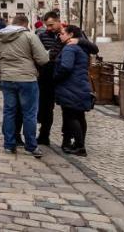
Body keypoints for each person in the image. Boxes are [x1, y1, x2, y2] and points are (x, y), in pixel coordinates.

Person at [35, 10, 99, 147]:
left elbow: (94, 49)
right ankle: (44, 135)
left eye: (51, 24)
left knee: (67, 110)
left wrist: (79, 40)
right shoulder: (42, 35)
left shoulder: (72, 33)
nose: (49, 28)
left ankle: (67, 139)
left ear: (59, 21)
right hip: (46, 77)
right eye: (47, 25)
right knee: (46, 108)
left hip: (65, 78)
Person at [0, 13, 49, 157]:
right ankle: (31, 146)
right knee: (29, 113)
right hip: (27, 79)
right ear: (25, 24)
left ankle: (9, 145)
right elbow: (42, 59)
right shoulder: (30, 36)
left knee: (9, 112)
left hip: (7, 79)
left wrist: (1, 71)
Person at [54, 24, 94, 155]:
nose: (60, 35)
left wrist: (56, 77)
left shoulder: (69, 48)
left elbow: (66, 67)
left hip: (70, 86)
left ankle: (80, 146)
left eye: (62, 33)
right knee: (79, 116)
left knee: (71, 116)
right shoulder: (81, 48)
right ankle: (79, 144)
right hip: (81, 85)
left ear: (71, 35)